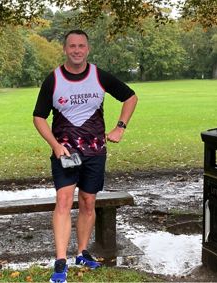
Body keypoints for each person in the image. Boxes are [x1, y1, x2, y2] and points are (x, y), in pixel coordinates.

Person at [33, 29, 138, 283]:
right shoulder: (54, 79)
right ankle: (60, 262)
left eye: (81, 46)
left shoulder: (98, 75)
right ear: (65, 49)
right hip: (66, 152)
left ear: (87, 49)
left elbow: (130, 97)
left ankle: (81, 253)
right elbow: (39, 117)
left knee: (89, 203)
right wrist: (56, 145)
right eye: (72, 46)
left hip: (95, 152)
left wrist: (120, 127)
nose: (77, 50)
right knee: (64, 201)